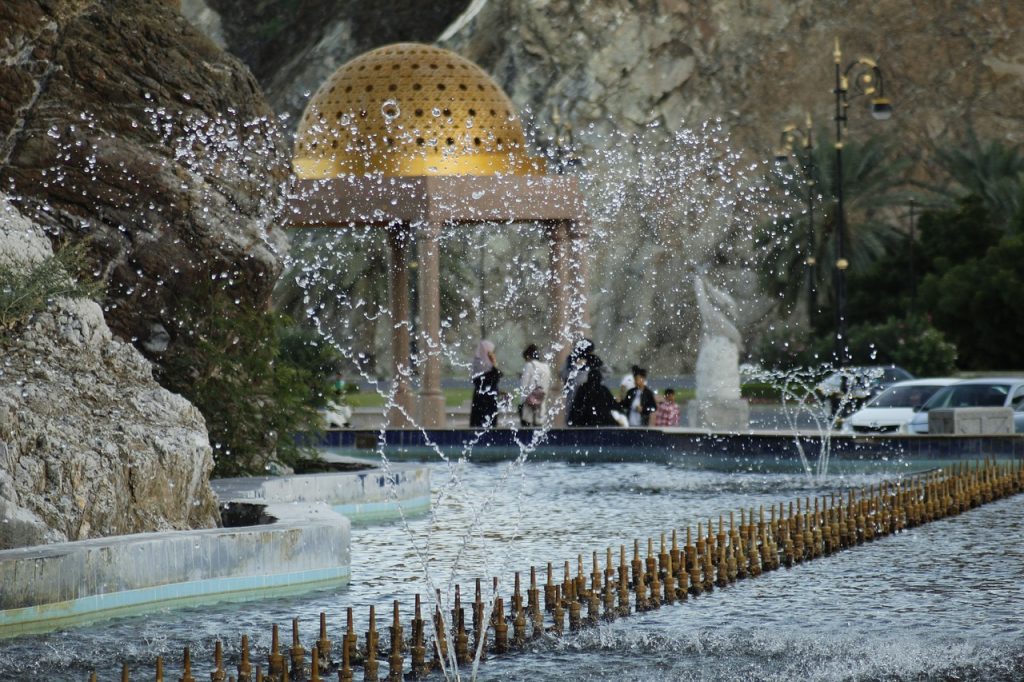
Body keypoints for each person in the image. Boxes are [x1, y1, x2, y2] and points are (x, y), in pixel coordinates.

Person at [568, 355, 620, 427]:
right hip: (602, 422)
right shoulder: (602, 389)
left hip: (584, 422)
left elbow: (576, 406)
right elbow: (614, 405)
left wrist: (571, 420)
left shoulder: (583, 388)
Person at [469, 340, 502, 428]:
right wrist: (494, 363)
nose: (492, 353)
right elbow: (495, 377)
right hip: (485, 400)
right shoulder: (482, 365)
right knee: (483, 423)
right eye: (491, 351)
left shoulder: (483, 364)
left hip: (485, 399)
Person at [518, 343, 551, 427]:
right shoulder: (546, 367)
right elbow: (546, 386)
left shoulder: (529, 365)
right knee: (538, 431)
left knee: (526, 430)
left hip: (529, 403)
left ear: (528, 356)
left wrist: (521, 403)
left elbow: (524, 385)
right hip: (541, 403)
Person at [560, 338, 594, 419]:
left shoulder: (571, 359)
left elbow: (563, 373)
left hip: (576, 392)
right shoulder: (591, 359)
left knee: (572, 414)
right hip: (581, 392)